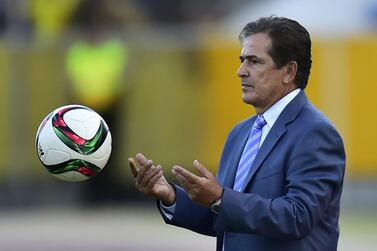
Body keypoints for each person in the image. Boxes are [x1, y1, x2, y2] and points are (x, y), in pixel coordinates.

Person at [128, 16, 346, 251]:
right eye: (242, 60)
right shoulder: (240, 133)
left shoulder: (315, 132)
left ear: (289, 71)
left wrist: (220, 198)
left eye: (254, 61)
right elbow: (224, 218)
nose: (240, 71)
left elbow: (297, 217)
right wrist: (170, 195)